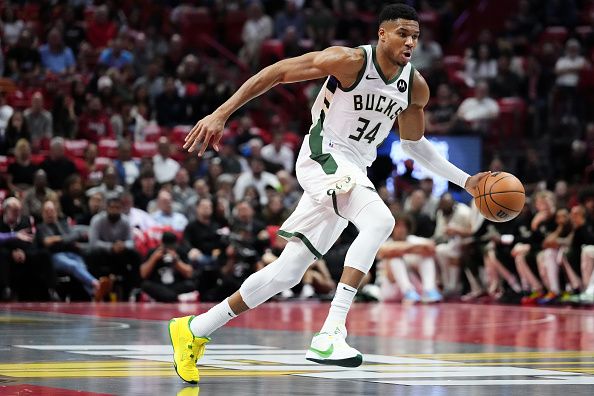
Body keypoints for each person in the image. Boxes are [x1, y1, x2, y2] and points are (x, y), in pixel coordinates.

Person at [171, 4, 487, 383]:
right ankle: (331, 332)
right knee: (380, 220)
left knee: (287, 273)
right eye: (403, 33)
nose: (410, 41)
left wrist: (466, 181)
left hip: (352, 170)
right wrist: (221, 113)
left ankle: (195, 329)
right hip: (325, 155)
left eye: (416, 35)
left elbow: (415, 144)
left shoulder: (415, 85)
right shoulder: (350, 60)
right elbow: (277, 72)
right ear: (382, 34)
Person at [36, 200, 112, 301]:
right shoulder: (41, 228)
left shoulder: (63, 224)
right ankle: (96, 284)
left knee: (82, 266)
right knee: (74, 265)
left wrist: (59, 239)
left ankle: (94, 294)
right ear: (42, 214)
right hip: (54, 256)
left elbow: (74, 236)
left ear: (56, 212)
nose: (50, 214)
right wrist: (65, 238)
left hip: (70, 252)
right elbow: (47, 242)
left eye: (52, 211)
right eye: (47, 211)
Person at [140, 231, 197, 302]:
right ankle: (174, 297)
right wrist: (153, 259)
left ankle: (166, 297)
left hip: (175, 285)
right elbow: (143, 274)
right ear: (161, 244)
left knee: (190, 284)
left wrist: (176, 261)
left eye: (171, 247)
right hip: (158, 285)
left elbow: (189, 274)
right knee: (145, 285)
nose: (168, 250)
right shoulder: (153, 252)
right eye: (166, 247)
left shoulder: (180, 252)